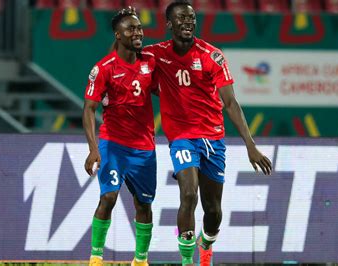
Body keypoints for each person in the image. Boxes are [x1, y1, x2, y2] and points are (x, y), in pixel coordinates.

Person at [142, 1, 273, 265]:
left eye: (191, 19)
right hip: (181, 138)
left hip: (212, 138)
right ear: (169, 23)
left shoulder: (212, 55)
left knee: (213, 211)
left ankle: (207, 243)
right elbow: (128, 62)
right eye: (181, 19)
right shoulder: (155, 54)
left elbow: (231, 102)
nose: (188, 23)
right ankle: (188, 261)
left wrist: (250, 145)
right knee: (188, 194)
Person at [83, 8, 157, 266]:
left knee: (144, 205)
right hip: (113, 144)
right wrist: (94, 148)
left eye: (139, 28)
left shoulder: (150, 62)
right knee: (108, 197)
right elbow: (89, 109)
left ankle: (140, 260)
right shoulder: (104, 68)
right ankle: (95, 257)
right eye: (130, 29)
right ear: (118, 34)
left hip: (145, 148)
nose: (137, 33)